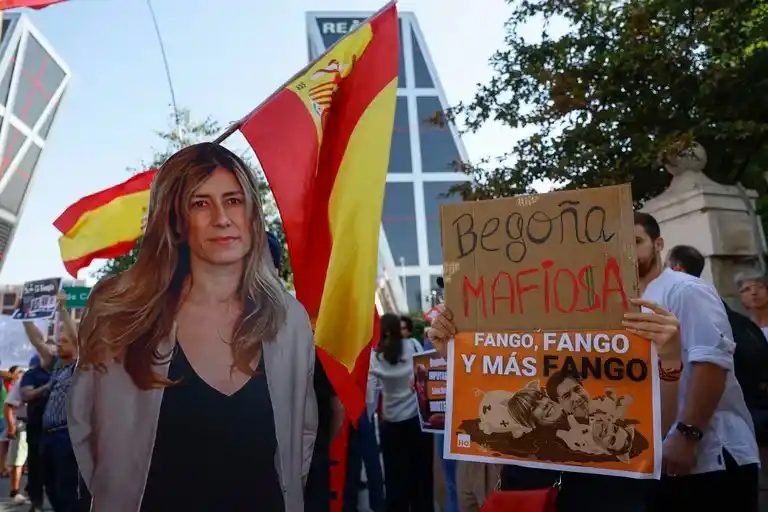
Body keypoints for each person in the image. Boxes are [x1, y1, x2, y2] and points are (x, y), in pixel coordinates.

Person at [67, 142, 317, 512]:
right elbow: (86, 432)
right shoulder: (120, 313)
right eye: (200, 203)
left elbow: (301, 438)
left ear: (252, 213)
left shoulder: (289, 320)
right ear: (175, 221)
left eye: (233, 200)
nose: (222, 218)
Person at [22, 297, 84, 512]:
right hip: (46, 435)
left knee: (65, 487)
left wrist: (63, 309)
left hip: (66, 435)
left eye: (63, 342)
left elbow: (75, 337)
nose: (59, 345)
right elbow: (37, 341)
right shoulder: (56, 366)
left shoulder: (79, 367)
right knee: (49, 484)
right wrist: (25, 316)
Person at [367, 313, 433, 511]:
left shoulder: (375, 358)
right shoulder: (413, 345)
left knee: (395, 480)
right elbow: (426, 372)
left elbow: (370, 397)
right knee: (421, 477)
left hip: (391, 425)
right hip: (416, 422)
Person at [20, 354, 51, 512]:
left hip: (60, 427)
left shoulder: (65, 371)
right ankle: (36, 502)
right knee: (36, 464)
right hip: (37, 426)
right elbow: (26, 394)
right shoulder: (32, 374)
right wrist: (48, 386)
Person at [4, 365, 28, 504]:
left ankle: (32, 489)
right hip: (22, 423)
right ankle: (15, 491)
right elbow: (8, 406)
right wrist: (11, 427)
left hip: (40, 425)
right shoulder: (22, 382)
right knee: (18, 459)